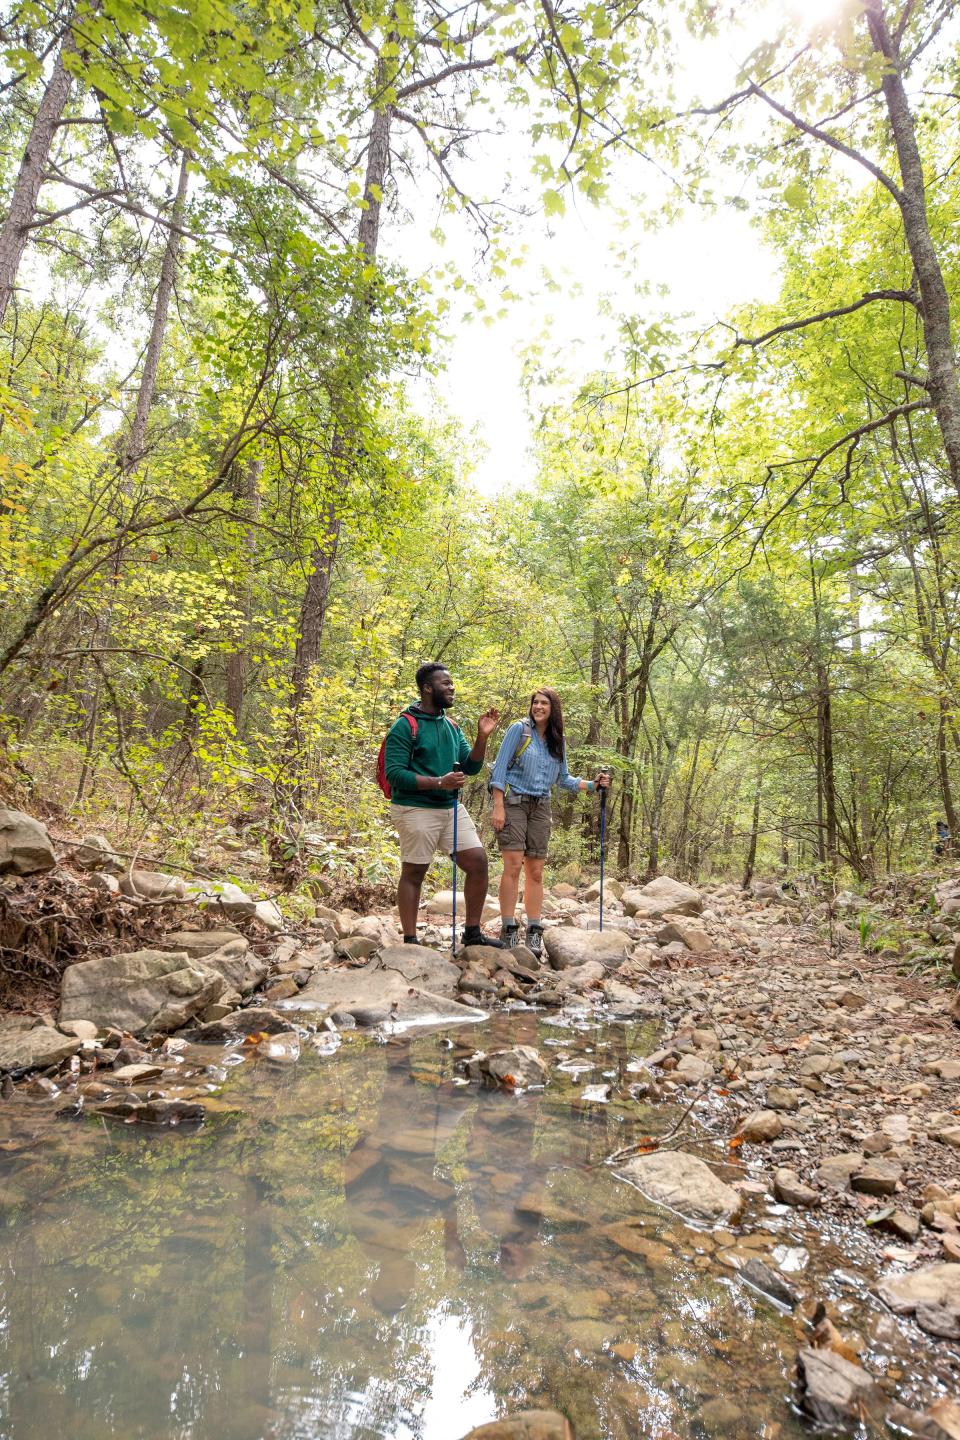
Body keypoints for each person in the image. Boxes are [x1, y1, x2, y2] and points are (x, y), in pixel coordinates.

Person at [385, 662, 505, 949]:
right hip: (415, 808)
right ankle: (410, 940)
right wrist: (440, 782)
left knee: (477, 862)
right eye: (445, 684)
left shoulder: (451, 726)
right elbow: (395, 774)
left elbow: (470, 766)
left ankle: (472, 933)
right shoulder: (405, 725)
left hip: (450, 807)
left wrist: (482, 737)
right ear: (427, 688)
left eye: (452, 684)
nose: (452, 688)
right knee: (414, 872)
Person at [490, 687, 610, 956]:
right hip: (514, 803)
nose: (539, 707)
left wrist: (593, 785)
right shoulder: (518, 731)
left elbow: (563, 779)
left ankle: (534, 929)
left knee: (535, 871)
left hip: (541, 806)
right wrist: (498, 807)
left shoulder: (558, 740)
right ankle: (509, 928)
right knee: (512, 866)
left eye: (544, 703)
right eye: (535, 702)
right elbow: (498, 770)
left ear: (553, 708)